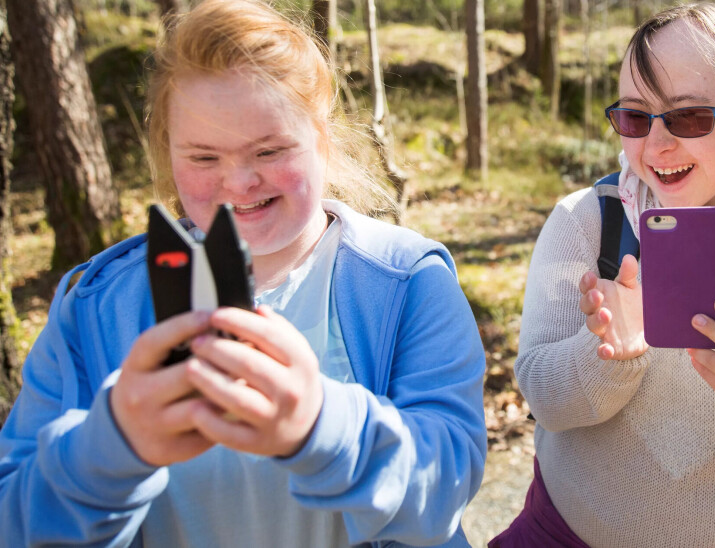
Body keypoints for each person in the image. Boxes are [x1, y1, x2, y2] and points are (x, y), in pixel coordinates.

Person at [0, 1, 486, 546]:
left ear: (322, 138)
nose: (240, 182)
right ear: (168, 153)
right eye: (204, 158)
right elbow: (14, 521)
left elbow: (446, 487)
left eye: (270, 149)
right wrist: (110, 447)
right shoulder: (95, 304)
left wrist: (321, 424)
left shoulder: (404, 282)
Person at [491, 4, 715, 547]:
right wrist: (609, 357)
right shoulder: (586, 223)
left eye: (688, 117)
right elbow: (543, 399)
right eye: (636, 118)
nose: (657, 146)